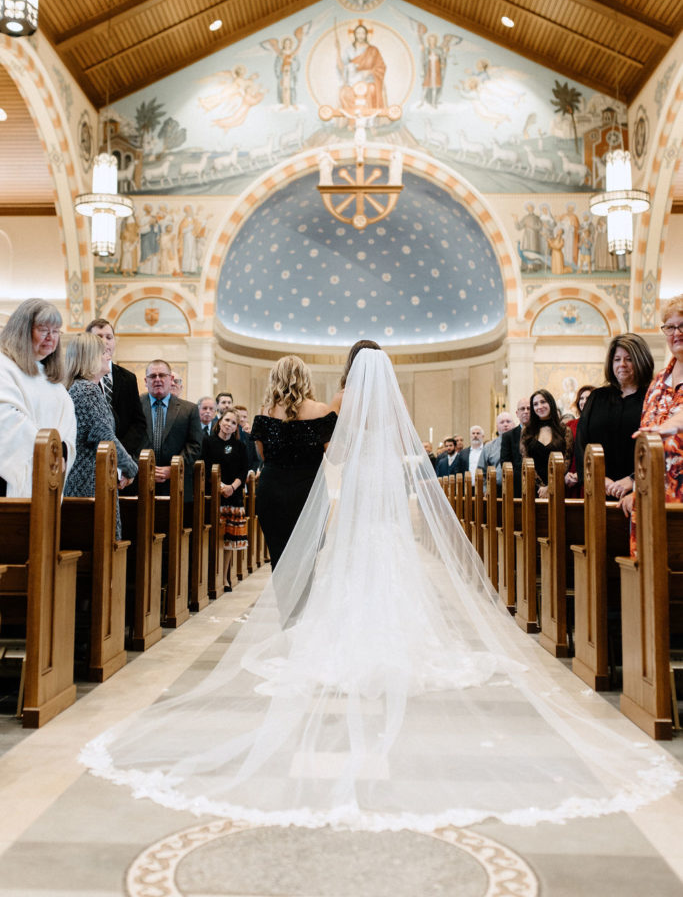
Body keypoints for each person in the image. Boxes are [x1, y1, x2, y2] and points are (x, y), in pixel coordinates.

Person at [81, 344, 680, 832]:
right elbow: (402, 453)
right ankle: (399, 635)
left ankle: (338, 634)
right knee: (388, 559)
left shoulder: (337, 410)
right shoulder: (375, 412)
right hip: (385, 498)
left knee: (349, 561)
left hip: (350, 493)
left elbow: (333, 456)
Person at [251, 355, 336, 571]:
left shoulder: (264, 412)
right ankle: (304, 603)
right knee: (308, 558)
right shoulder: (321, 410)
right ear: (305, 379)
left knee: (279, 558)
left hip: (272, 491)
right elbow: (334, 455)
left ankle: (286, 605)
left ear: (275, 379)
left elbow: (262, 456)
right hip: (308, 492)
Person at [619, 295, 683, 534]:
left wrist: (671, 426)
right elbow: (645, 445)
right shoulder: (657, 383)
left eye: (682, 325)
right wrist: (637, 487)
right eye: (670, 327)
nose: (676, 332)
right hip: (652, 496)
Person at [63, 333, 137, 539]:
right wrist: (130, 467)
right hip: (88, 481)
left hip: (91, 478)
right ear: (89, 357)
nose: (108, 356)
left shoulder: (85, 388)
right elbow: (104, 436)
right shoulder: (87, 390)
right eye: (103, 352)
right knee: (99, 544)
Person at [0, 298, 76, 497]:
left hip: (49, 478)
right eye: (43, 330)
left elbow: (68, 426)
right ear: (22, 330)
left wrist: (60, 451)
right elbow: (8, 420)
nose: (51, 337)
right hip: (8, 482)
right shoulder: (5, 367)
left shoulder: (53, 382)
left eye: (56, 331)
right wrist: (50, 451)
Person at [576, 335, 654, 500]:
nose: (622, 365)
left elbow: (658, 446)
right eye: (617, 359)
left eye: (629, 359)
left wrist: (633, 480)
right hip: (599, 489)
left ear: (641, 361)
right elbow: (582, 444)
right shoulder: (597, 397)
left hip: (641, 491)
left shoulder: (652, 397)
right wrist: (599, 479)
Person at [139, 359, 203, 498]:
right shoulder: (134, 406)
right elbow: (126, 443)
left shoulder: (189, 409)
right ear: (146, 380)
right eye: (152, 376)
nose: (157, 379)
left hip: (177, 485)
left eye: (162, 375)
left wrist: (174, 469)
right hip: (139, 483)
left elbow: (194, 445)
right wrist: (143, 469)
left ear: (171, 379)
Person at [85, 318, 146, 459]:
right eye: (99, 337)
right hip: (90, 455)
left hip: (124, 455)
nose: (105, 341)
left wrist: (120, 452)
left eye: (109, 337)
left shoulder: (128, 378)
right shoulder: (81, 377)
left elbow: (138, 422)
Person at [202, 409, 248, 589]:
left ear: (237, 427)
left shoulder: (240, 446)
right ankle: (211, 577)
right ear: (220, 421)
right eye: (227, 420)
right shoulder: (208, 442)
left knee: (229, 541)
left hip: (233, 497)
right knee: (215, 538)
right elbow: (204, 467)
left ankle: (224, 577)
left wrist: (232, 487)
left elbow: (243, 471)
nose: (229, 424)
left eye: (233, 423)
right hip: (214, 494)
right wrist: (221, 487)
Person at [521, 389, 573, 498]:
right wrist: (541, 487)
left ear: (551, 403)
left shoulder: (564, 430)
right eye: (535, 404)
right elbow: (526, 461)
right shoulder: (527, 431)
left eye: (543, 402)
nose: (539, 406)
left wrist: (551, 486)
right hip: (534, 489)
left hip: (559, 487)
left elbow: (566, 461)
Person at [564, 384, 595, 496]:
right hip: (570, 479)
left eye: (588, 398)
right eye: (581, 398)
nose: (584, 401)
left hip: (593, 477)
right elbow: (565, 453)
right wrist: (565, 474)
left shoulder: (601, 425)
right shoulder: (570, 425)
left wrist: (580, 474)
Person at [499, 396, 530, 496]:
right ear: (517, 413)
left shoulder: (541, 432)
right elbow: (505, 462)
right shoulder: (508, 436)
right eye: (522, 409)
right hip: (517, 486)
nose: (526, 411)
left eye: (529, 408)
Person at [484, 410, 515, 486]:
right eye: (502, 422)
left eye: (508, 421)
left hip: (517, 487)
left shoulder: (521, 443)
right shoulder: (489, 446)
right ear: (497, 427)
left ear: (514, 425)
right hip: (495, 488)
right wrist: (484, 489)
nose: (505, 424)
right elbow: (482, 470)